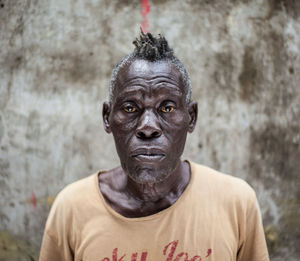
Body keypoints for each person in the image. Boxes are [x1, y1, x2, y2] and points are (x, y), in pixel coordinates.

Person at [39, 31, 270, 261]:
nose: (147, 127)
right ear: (107, 118)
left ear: (191, 117)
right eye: (130, 108)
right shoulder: (71, 208)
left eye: (167, 108)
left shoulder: (236, 203)